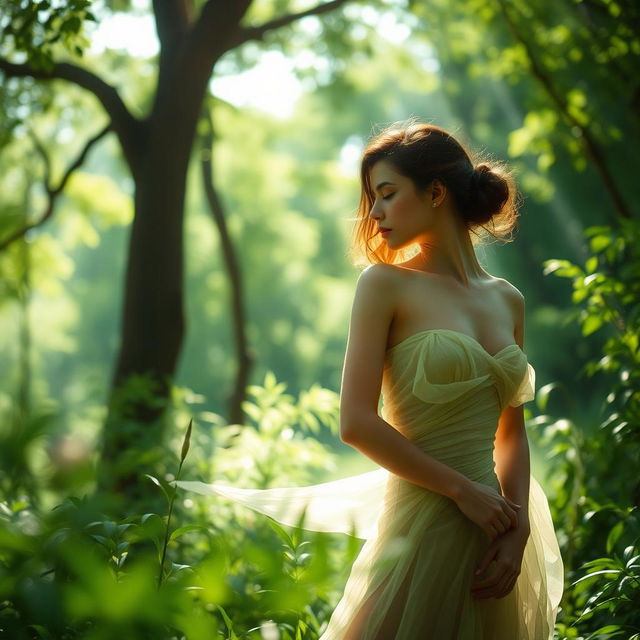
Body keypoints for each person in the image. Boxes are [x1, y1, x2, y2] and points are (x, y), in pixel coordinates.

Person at [176, 120, 564, 639]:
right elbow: (356, 423)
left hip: (496, 534)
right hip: (424, 522)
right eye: (371, 199)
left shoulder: (507, 298)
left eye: (386, 194)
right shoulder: (384, 285)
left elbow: (510, 434)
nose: (373, 214)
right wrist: (461, 491)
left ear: (435, 192)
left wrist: (517, 533)